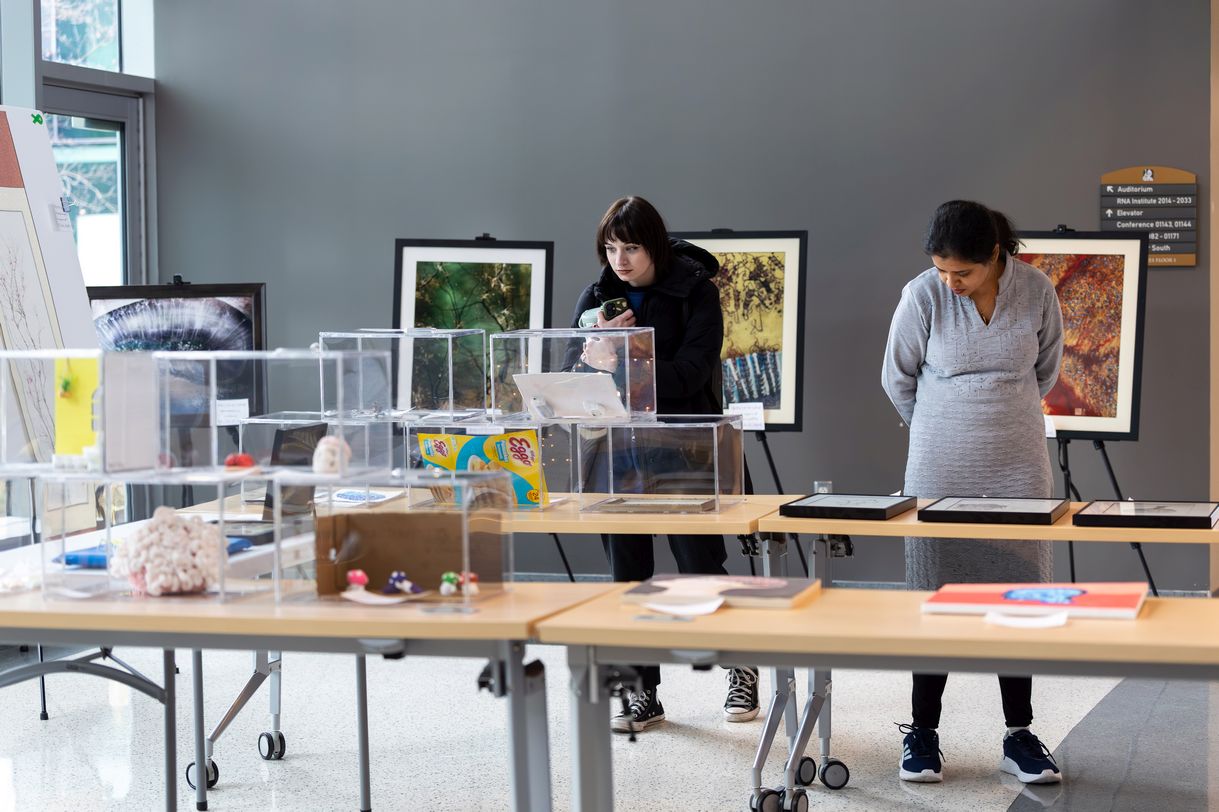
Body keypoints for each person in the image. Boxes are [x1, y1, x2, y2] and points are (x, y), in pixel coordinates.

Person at [881, 200, 1065, 785]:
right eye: (941, 270)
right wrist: (942, 425)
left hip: (1018, 469)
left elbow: (1046, 369)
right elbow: (897, 377)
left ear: (995, 256)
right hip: (939, 471)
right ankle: (923, 732)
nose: (949, 282)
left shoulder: (1036, 290)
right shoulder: (923, 296)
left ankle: (1019, 734)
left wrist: (996, 416)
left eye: (962, 272)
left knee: (1018, 596)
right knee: (934, 595)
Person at [573, 195, 759, 733]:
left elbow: (695, 372)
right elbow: (570, 370)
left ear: (653, 245)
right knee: (628, 577)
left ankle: (738, 665)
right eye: (610, 248)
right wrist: (594, 352)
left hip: (689, 445)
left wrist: (628, 355)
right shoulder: (596, 298)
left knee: (701, 566)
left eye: (631, 247)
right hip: (615, 451)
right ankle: (640, 693)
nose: (620, 260)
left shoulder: (694, 292)